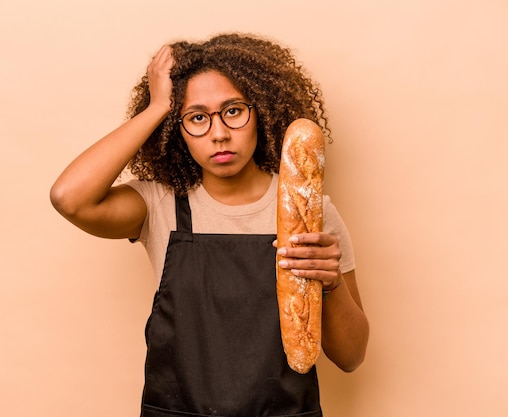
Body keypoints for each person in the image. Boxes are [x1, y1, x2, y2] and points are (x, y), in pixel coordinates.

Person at [50, 32, 369, 417]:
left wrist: (331, 283)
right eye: (196, 117)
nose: (218, 133)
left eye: (233, 111)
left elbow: (351, 357)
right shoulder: (160, 204)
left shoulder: (310, 212)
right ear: (176, 129)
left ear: (262, 113)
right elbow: (69, 197)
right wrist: (156, 108)